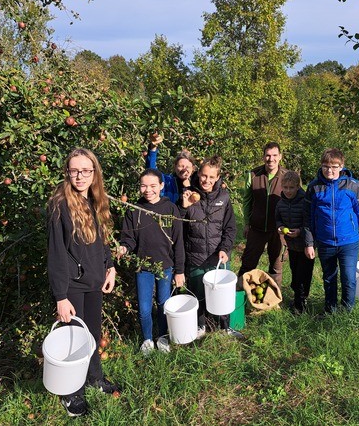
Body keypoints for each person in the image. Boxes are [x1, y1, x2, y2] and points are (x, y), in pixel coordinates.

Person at [47, 148, 120, 418]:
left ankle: (94, 379)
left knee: (91, 335)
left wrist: (109, 266)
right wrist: (60, 296)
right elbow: (56, 252)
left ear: (94, 173)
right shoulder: (60, 205)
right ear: (67, 172)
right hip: (71, 286)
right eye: (75, 170)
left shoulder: (94, 200)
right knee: (73, 340)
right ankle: (71, 393)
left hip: (94, 281)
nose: (80, 176)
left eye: (86, 170)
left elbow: (103, 240)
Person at [118, 168, 185, 354]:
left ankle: (163, 337)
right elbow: (129, 238)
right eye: (144, 186)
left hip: (165, 266)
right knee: (144, 307)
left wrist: (179, 270)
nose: (148, 190)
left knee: (164, 304)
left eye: (153, 186)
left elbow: (178, 242)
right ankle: (147, 339)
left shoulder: (171, 209)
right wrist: (124, 247)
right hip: (143, 267)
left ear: (162, 186)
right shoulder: (135, 210)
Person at [304, 148, 359, 314]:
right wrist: (309, 243)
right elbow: (308, 218)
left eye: (334, 166)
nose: (329, 170)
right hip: (325, 242)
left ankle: (347, 311)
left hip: (349, 242)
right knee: (329, 278)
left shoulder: (353, 186)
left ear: (342, 166)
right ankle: (330, 310)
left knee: (349, 279)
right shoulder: (314, 187)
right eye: (325, 166)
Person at [179, 156, 243, 339]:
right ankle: (200, 326)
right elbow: (178, 228)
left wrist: (225, 248)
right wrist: (184, 208)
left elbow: (230, 228)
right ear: (198, 173)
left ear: (218, 177)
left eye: (211, 177)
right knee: (198, 293)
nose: (206, 180)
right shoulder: (188, 194)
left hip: (218, 257)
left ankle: (225, 327)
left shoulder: (223, 198)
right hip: (196, 257)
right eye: (203, 175)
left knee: (222, 294)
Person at [238, 142, 288, 288]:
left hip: (278, 230)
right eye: (267, 155)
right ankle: (241, 295)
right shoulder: (253, 175)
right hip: (257, 228)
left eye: (274, 155)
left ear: (280, 157)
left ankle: (273, 298)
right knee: (248, 263)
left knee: (276, 267)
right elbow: (247, 202)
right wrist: (247, 223)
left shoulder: (287, 176)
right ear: (263, 156)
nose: (270, 159)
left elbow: (295, 204)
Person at [275, 171, 315, 314]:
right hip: (291, 245)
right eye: (285, 187)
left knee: (303, 275)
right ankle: (298, 297)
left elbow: (309, 221)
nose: (288, 191)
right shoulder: (281, 203)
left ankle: (301, 303)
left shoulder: (305, 201)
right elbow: (277, 218)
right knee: (294, 273)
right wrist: (280, 227)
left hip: (306, 245)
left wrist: (299, 231)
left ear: (298, 187)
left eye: (291, 187)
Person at [145, 133, 196, 203]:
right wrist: (153, 148)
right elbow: (151, 170)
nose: (184, 170)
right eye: (181, 166)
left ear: (192, 169)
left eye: (187, 167)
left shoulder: (196, 185)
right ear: (175, 167)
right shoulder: (166, 181)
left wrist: (188, 188)